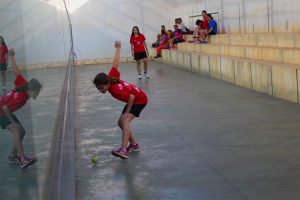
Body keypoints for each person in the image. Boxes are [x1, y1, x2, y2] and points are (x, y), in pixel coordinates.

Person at [93, 41, 148, 159]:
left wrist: (127, 113)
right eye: (98, 88)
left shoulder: (115, 90)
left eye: (102, 88)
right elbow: (115, 63)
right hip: (134, 98)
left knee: (125, 121)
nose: (101, 90)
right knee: (120, 122)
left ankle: (123, 150)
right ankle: (133, 145)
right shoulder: (111, 76)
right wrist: (118, 48)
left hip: (140, 100)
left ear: (107, 83)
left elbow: (131, 98)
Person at [0, 49, 42, 169]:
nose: (37, 95)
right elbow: (5, 108)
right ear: (30, 90)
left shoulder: (24, 84)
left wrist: (11, 56)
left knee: (21, 131)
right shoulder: (22, 98)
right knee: (16, 130)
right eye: (36, 92)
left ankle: (13, 156)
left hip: (4, 110)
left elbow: (16, 71)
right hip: (1, 111)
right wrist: (13, 123)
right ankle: (23, 159)